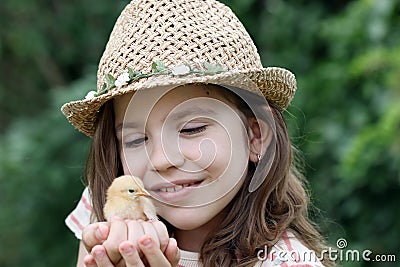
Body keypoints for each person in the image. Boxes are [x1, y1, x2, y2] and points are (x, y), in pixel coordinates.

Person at [62, 0, 334, 266]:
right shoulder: (115, 205)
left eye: (192, 129)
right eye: (135, 139)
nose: (160, 160)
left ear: (256, 136)